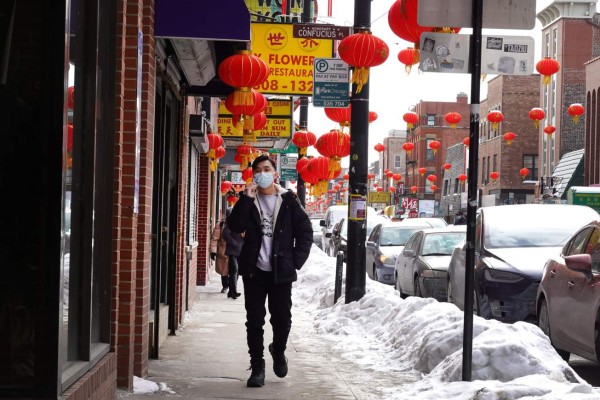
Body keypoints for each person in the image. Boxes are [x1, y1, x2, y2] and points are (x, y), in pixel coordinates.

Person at [227, 155, 313, 388]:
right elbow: (235, 226)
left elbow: (305, 232)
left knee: (282, 318)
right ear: (253, 175)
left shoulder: (288, 200)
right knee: (254, 320)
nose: (262, 173)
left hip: (280, 271)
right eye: (258, 170)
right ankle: (257, 366)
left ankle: (278, 348)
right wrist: (246, 198)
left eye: (267, 169)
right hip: (254, 271)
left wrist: (295, 261)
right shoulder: (249, 200)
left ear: (275, 173)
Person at [222, 207, 243, 299]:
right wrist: (234, 243)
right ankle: (234, 292)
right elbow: (225, 234)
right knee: (234, 270)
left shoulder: (244, 222)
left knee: (237, 271)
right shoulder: (231, 222)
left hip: (242, 250)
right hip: (232, 250)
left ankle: (231, 291)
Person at [209, 214, 229, 293]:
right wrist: (213, 251)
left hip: (235, 251)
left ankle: (233, 286)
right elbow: (214, 239)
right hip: (223, 251)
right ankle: (225, 286)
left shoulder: (239, 222)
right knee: (223, 270)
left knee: (235, 270)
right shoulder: (221, 225)